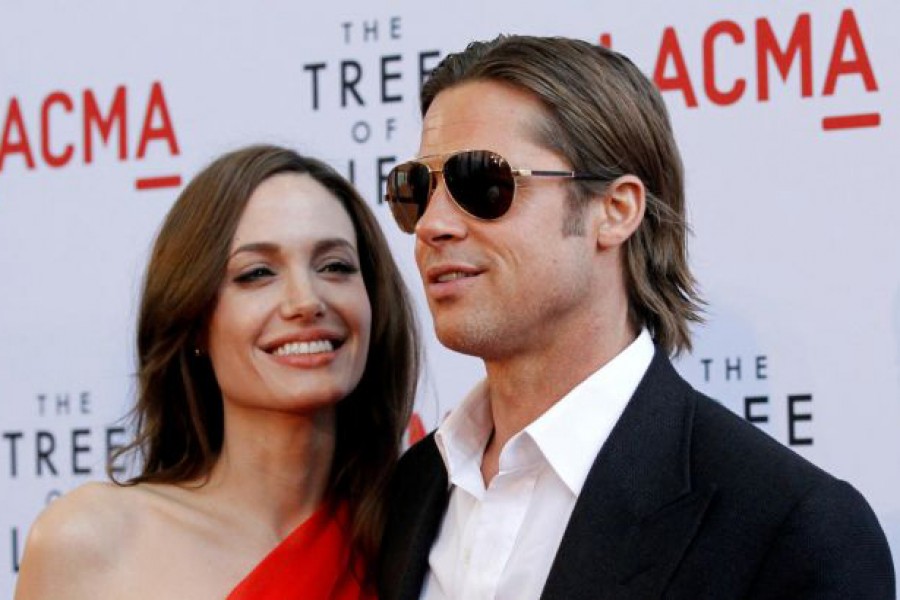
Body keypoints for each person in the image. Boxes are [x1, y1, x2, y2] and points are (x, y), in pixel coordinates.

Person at [378, 35, 895, 599]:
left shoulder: (790, 530)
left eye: (482, 183)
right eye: (417, 190)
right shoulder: (410, 490)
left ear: (616, 210)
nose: (433, 225)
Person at [15, 144, 419, 599]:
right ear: (194, 321)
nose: (306, 300)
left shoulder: (421, 538)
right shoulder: (91, 541)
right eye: (257, 273)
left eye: (336, 266)